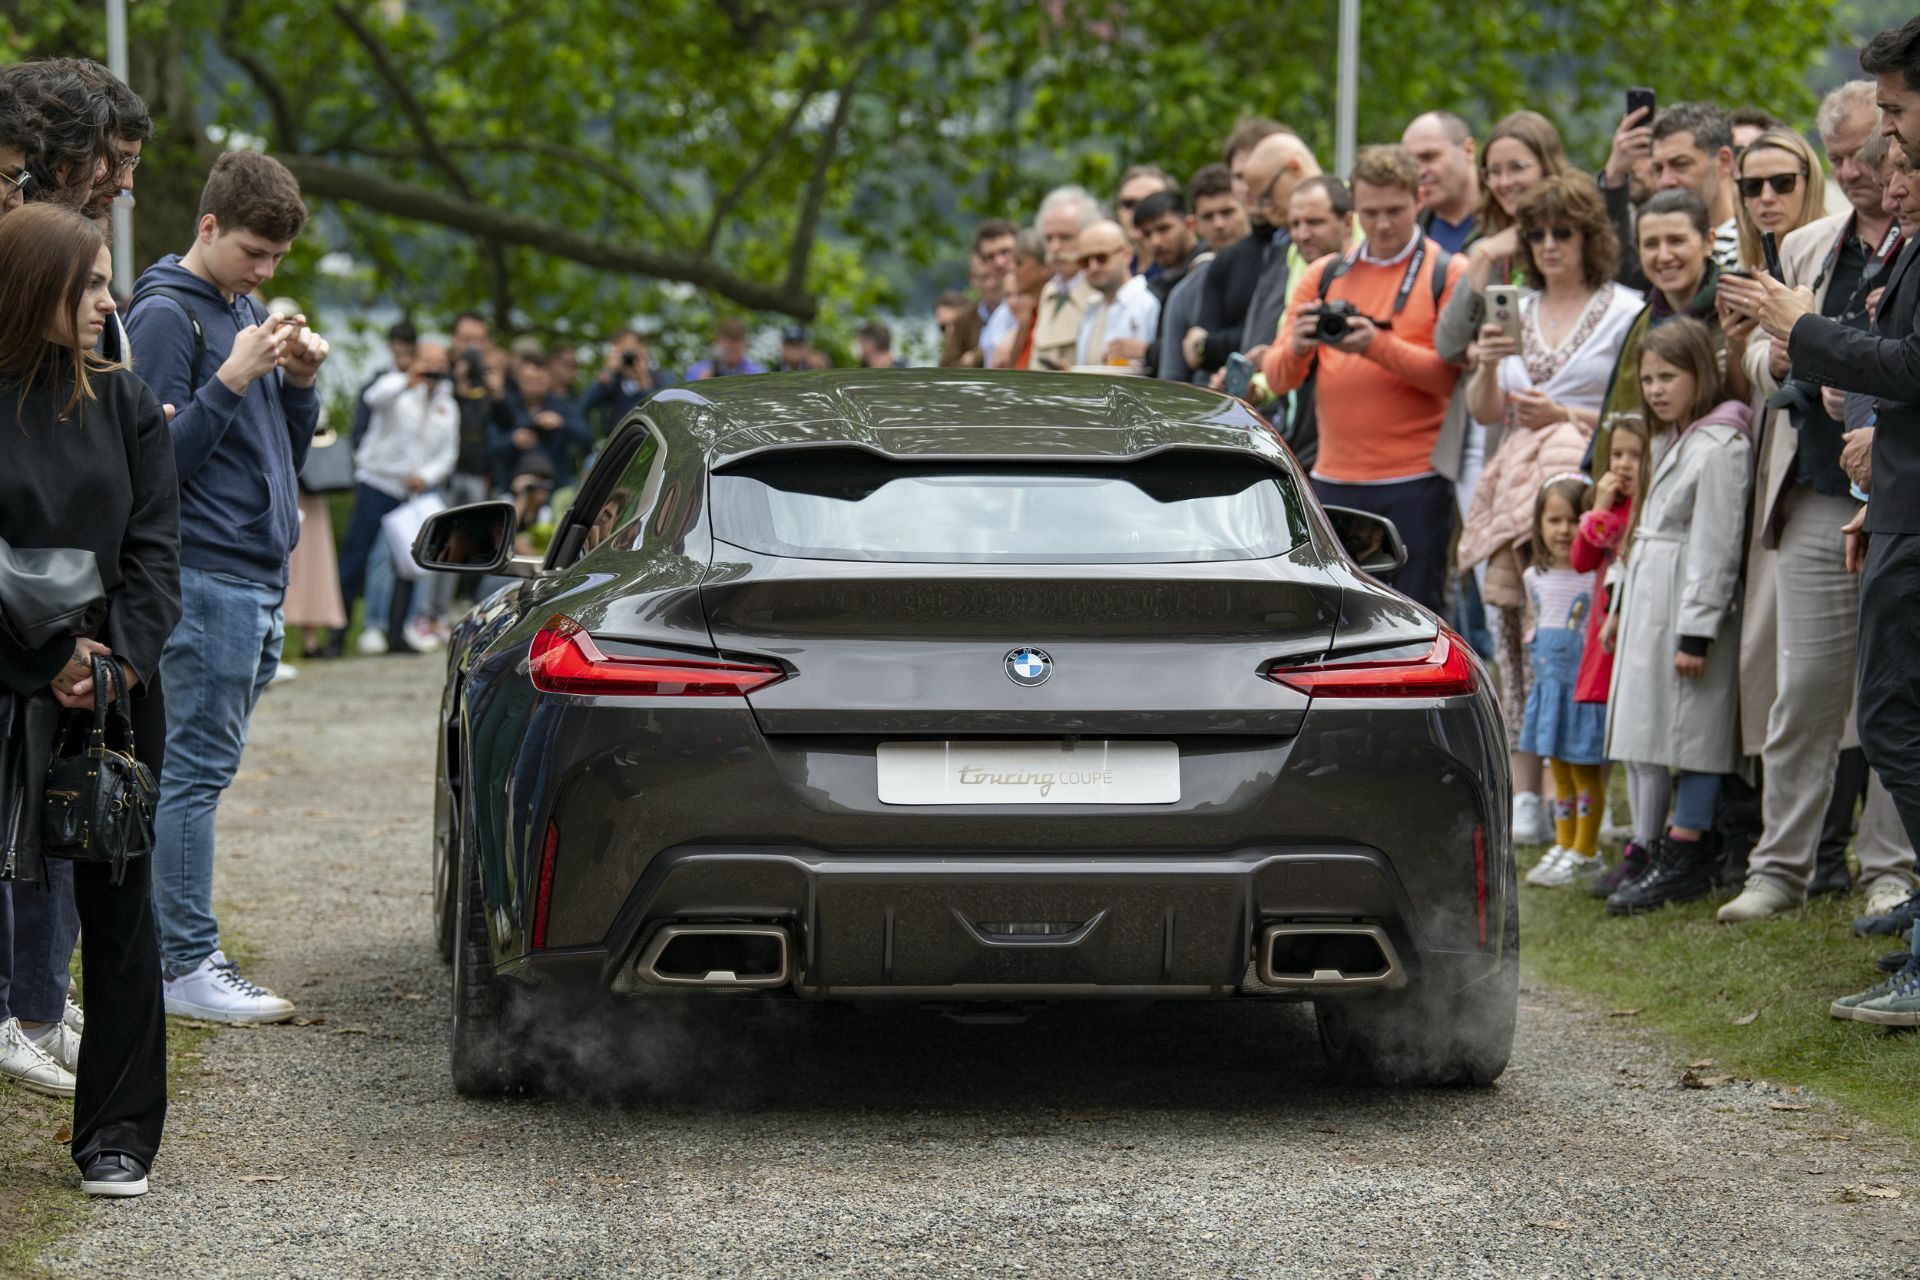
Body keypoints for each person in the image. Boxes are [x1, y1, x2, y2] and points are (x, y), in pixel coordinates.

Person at [0, 203, 179, 1194]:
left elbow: (158, 552)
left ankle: (116, 1130)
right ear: (35, 288)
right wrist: (46, 650)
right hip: (8, 679)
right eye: (93, 282)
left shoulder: (126, 401)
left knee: (118, 913)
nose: (110, 301)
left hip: (109, 695)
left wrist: (110, 661)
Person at [126, 153, 327, 1027]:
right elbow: (152, 468)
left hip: (251, 573)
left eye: (279, 259)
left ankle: (177, 953)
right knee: (192, 775)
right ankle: (183, 964)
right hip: (204, 573)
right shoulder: (168, 315)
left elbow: (278, 448)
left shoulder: (238, 308)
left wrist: (298, 383)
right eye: (254, 251)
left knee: (199, 772)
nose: (266, 272)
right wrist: (233, 376)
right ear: (207, 227)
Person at [1720, 86, 1914, 924]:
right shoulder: (1807, 246)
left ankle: (1890, 868)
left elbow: (1901, 363)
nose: (1861, 173)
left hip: (1898, 485)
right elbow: (1756, 364)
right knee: (1806, 688)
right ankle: (1781, 865)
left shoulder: (1910, 243)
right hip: (1816, 490)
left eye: (1872, 153)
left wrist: (1853, 378)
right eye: (1842, 158)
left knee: (1894, 700)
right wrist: (1806, 373)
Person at [1456, 173, 1641, 844]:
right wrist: (1484, 366)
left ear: (1590, 236)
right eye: (1536, 234)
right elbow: (1484, 415)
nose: (1549, 245)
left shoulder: (1625, 310)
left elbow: (1635, 414)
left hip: (1585, 499)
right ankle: (1526, 791)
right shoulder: (1516, 308)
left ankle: (1591, 794)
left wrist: (1563, 412)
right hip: (1514, 495)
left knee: (1580, 645)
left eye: (1562, 231)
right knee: (1513, 642)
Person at [1264, 144, 1465, 613]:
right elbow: (1277, 378)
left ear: (1419, 199)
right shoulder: (1326, 274)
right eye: (1370, 213)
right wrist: (1298, 345)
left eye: (1395, 210)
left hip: (1417, 479)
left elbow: (1448, 379)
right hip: (1335, 478)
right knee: (1337, 618)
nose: (1382, 224)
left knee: (1419, 615)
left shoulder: (1446, 271)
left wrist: (1374, 345)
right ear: (1354, 210)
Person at [1602, 318, 1754, 915]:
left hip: (1686, 605)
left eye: (1669, 376)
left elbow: (1717, 541)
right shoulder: (1676, 438)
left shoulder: (1720, 444)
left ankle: (1686, 848)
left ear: (1701, 374)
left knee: (1695, 729)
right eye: (1648, 379)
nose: (1657, 389)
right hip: (1653, 598)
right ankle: (1659, 842)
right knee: (1658, 726)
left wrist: (1698, 628)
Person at [1433, 112, 1570, 501]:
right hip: (1476, 431)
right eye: (1494, 171)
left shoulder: (1570, 243)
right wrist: (1482, 258)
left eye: (1517, 168)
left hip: (1543, 423)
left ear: (1548, 166)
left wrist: (1488, 350)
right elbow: (1447, 344)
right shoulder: (1486, 244)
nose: (1505, 182)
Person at [336, 342, 459, 655]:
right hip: (378, 483)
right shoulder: (394, 386)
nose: (432, 369)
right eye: (427, 361)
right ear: (415, 361)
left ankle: (398, 631)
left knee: (409, 562)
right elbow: (372, 398)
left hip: (414, 491)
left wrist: (427, 476)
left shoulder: (448, 404)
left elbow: (448, 454)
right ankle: (340, 633)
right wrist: (409, 380)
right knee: (358, 556)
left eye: (438, 363)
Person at [1518, 475, 1609, 887]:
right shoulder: (1533, 578)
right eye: (1553, 520)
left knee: (1585, 770)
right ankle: (1565, 841)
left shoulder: (1594, 577)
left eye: (1574, 520)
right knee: (1561, 770)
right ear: (1538, 524)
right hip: (1550, 691)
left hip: (1583, 692)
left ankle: (1586, 851)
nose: (1563, 530)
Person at [1576, 413, 1654, 895]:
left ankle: (1644, 840)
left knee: (1637, 740)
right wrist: (1600, 504)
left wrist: (1606, 513)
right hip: (1602, 633)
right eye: (1617, 454)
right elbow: (1584, 557)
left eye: (1635, 455)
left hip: (1627, 629)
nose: (1624, 464)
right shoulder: (1615, 506)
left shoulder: (1640, 512)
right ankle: (1620, 836)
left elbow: (1613, 544)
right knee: (1616, 735)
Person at [1590, 188, 1727, 463]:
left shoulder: (1733, 311)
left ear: (1708, 241)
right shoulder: (1642, 322)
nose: (1664, 256)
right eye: (1651, 244)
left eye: (1676, 241)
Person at [1187, 131, 1321, 379]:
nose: (1264, 208)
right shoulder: (1285, 247)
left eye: (1267, 196)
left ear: (1294, 168)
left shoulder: (1352, 227)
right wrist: (1260, 386)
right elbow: (1284, 340)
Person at [1157, 165, 1249, 384]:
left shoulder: (1274, 273)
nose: (1219, 224)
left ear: (1247, 208)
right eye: (1208, 217)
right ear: (1195, 225)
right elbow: (1172, 381)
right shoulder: (1184, 293)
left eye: (1227, 212)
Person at [1649, 103, 1741, 270]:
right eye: (1658, 169)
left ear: (1723, 161)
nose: (1665, 181)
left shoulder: (1756, 251)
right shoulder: (1651, 257)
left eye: (1680, 164)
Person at [1031, 185, 1101, 370]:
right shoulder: (1050, 290)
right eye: (1049, 238)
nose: (1055, 247)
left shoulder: (1101, 292)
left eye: (1065, 237)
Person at [1072, 219, 1158, 369]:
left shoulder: (1147, 303)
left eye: (1101, 258)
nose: (1093, 267)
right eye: (1084, 261)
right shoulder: (1091, 307)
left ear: (1126, 255)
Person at [497, 354, 592, 486]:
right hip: (513, 483)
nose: (533, 385)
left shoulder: (563, 406)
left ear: (548, 380)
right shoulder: (506, 406)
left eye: (538, 380)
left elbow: (587, 437)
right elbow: (490, 445)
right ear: (519, 379)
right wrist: (513, 440)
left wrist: (561, 423)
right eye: (528, 380)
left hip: (557, 483)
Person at [1403, 111, 1481, 253]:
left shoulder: (1509, 219)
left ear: (1468, 150)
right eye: (1410, 163)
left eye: (1429, 157)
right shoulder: (1404, 233)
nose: (1419, 171)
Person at [582, 327, 675, 438]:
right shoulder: (613, 382)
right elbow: (583, 405)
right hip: (618, 445)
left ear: (643, 348)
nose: (628, 359)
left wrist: (643, 381)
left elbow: (667, 414)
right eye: (622, 354)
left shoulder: (664, 377)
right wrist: (607, 374)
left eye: (630, 352)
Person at [995, 228, 1053, 370]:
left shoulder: (1050, 313)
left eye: (1019, 263)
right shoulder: (1029, 317)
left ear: (1044, 268)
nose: (1013, 269)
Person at [1114, 164, 1173, 269]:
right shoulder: (1117, 270)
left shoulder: (1191, 268)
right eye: (1129, 203)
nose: (1137, 211)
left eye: (1149, 201)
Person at [688, 318, 764, 379]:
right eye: (729, 350)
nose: (733, 356)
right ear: (716, 343)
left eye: (736, 350)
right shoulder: (697, 371)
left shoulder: (757, 373)